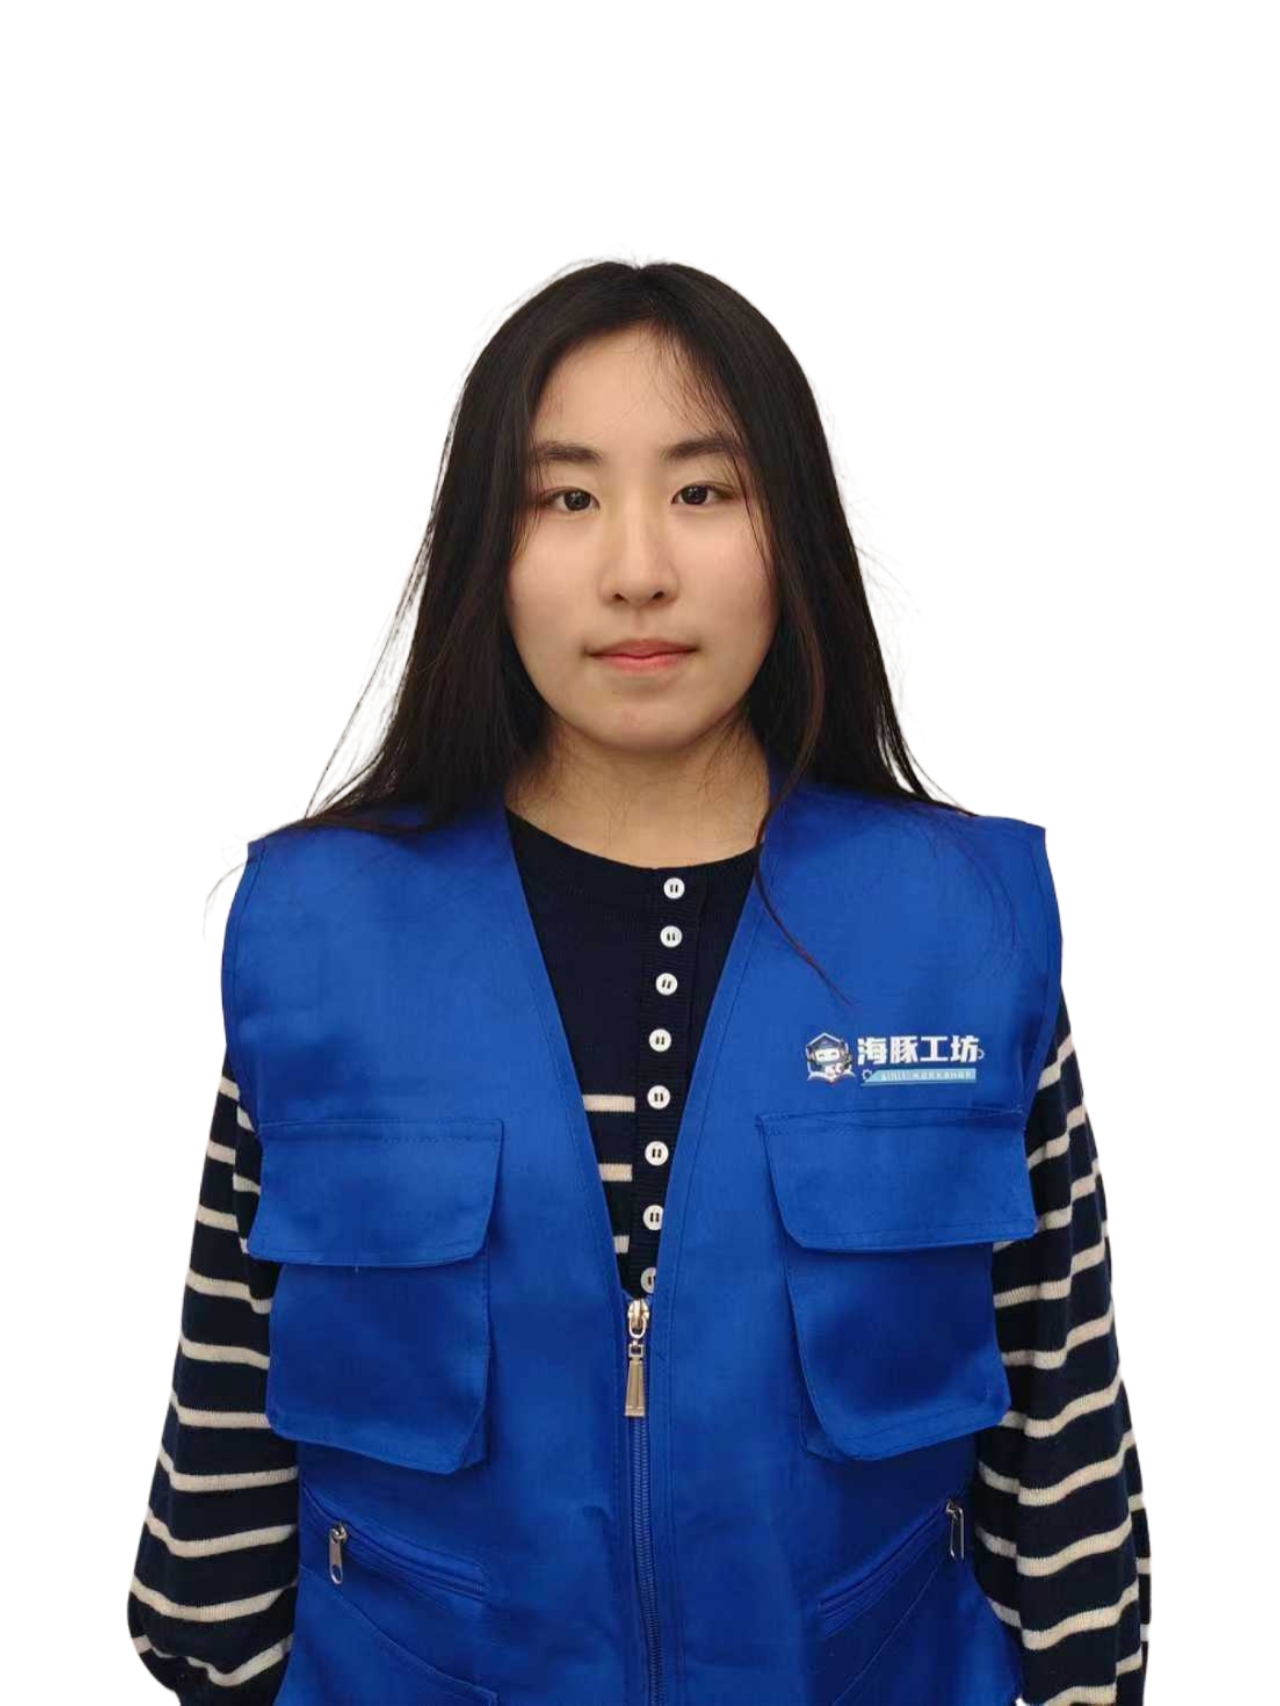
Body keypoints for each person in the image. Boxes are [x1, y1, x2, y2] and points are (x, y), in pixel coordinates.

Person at [127, 260, 1151, 1705]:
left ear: (792, 530)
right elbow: (218, 1512)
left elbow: (1069, 1482)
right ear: (485, 547)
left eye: (703, 490)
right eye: (565, 497)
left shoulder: (962, 930)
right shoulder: (319, 938)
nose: (636, 570)